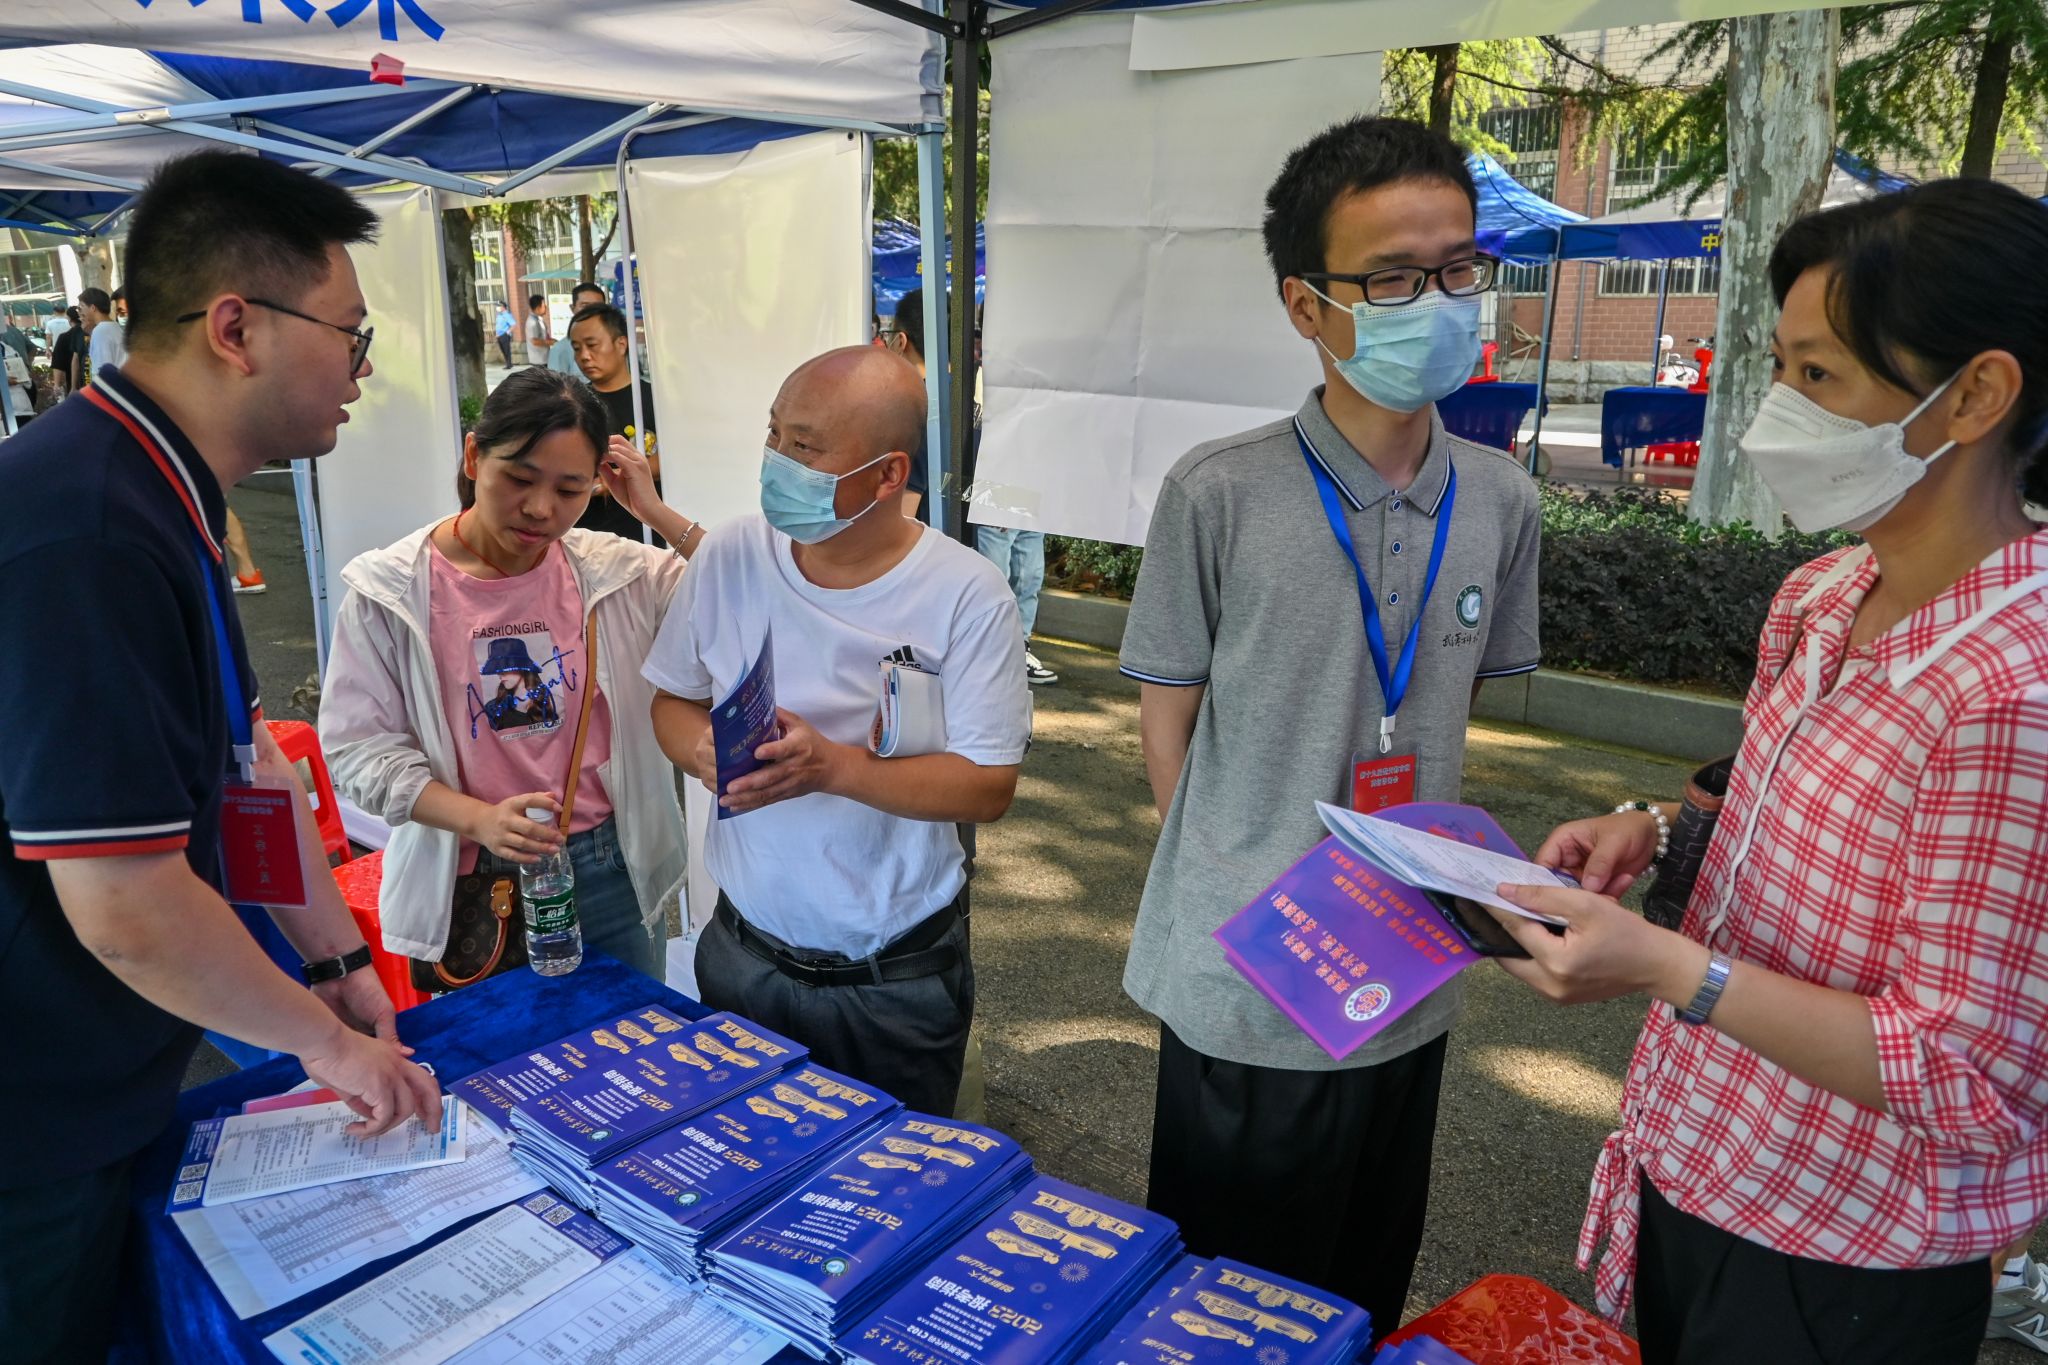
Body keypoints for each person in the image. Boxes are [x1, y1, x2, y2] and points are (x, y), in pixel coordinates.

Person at [1479, 178, 2048, 1365]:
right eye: (1777, 367)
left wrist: (1665, 967)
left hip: (1844, 1247)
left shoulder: (2014, 692)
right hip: (1701, 1153)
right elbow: (1792, 815)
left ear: (1975, 395)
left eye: (1819, 375)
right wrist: (1655, 829)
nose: (1774, 412)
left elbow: (1964, 1074)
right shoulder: (1821, 596)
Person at [0, 149, 441, 1365]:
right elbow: (127, 906)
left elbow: (251, 771)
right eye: (350, 335)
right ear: (236, 329)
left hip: (105, 1078)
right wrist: (326, 1042)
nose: (362, 369)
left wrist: (336, 961)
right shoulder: (87, 525)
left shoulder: (157, 488)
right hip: (32, 1118)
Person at [1118, 115, 1539, 1341]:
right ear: (1306, 305)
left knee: (1359, 1289)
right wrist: (1235, 880)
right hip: (1248, 983)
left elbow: (1451, 703)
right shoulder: (1218, 490)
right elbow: (1166, 716)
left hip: (1405, 972)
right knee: (1224, 1309)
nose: (1437, 302)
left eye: (1457, 268)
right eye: (1394, 278)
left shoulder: (1500, 498)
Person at [643, 345, 1030, 1116]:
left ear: (887, 475)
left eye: (805, 446)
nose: (777, 460)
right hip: (742, 956)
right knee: (742, 1160)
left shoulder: (966, 594)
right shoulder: (729, 556)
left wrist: (831, 767)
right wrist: (702, 752)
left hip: (890, 983)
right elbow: (672, 700)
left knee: (893, 1175)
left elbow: (987, 786)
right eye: (774, 433)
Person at [321, 367, 705, 984]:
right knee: (500, 1045)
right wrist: (478, 819)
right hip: (474, 874)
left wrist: (654, 511)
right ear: (474, 456)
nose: (540, 509)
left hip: (610, 864)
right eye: (520, 479)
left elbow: (743, 590)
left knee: (630, 1037)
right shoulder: (391, 591)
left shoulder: (615, 572)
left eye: (570, 489)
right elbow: (358, 751)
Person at [567, 302, 663, 542]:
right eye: (577, 348)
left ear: (621, 344)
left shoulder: (655, 400)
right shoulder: (572, 403)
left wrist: (613, 478)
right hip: (585, 537)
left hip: (644, 536)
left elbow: (674, 458)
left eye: (592, 345)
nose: (584, 356)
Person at [884, 287, 936, 523]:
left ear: (900, 341)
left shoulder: (913, 407)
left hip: (928, 534)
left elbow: (904, 514)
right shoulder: (969, 395)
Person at [548, 281, 608, 378]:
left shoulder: (615, 344)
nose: (592, 311)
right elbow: (555, 386)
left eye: (598, 306)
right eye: (585, 306)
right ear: (572, 308)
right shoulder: (561, 349)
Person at [80, 286, 123, 380]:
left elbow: (102, 370)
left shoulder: (100, 331)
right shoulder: (116, 327)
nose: (81, 312)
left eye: (82, 306)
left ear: (93, 308)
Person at [48, 305, 83, 396]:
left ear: (69, 319)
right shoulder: (89, 333)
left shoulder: (64, 337)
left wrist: (56, 384)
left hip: (73, 382)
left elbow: (57, 363)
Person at [523, 292, 550, 366]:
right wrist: (550, 342)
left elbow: (543, 336)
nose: (546, 307)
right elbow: (535, 341)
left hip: (544, 358)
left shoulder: (539, 319)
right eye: (544, 306)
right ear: (538, 308)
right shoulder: (532, 322)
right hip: (539, 361)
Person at [493, 300, 515, 366]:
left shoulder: (507, 315)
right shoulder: (499, 315)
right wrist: (497, 334)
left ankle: (509, 364)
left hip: (504, 335)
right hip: (499, 336)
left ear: (503, 307)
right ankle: (507, 363)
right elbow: (498, 326)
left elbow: (513, 325)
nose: (497, 308)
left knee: (506, 350)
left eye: (498, 306)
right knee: (503, 350)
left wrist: (507, 333)